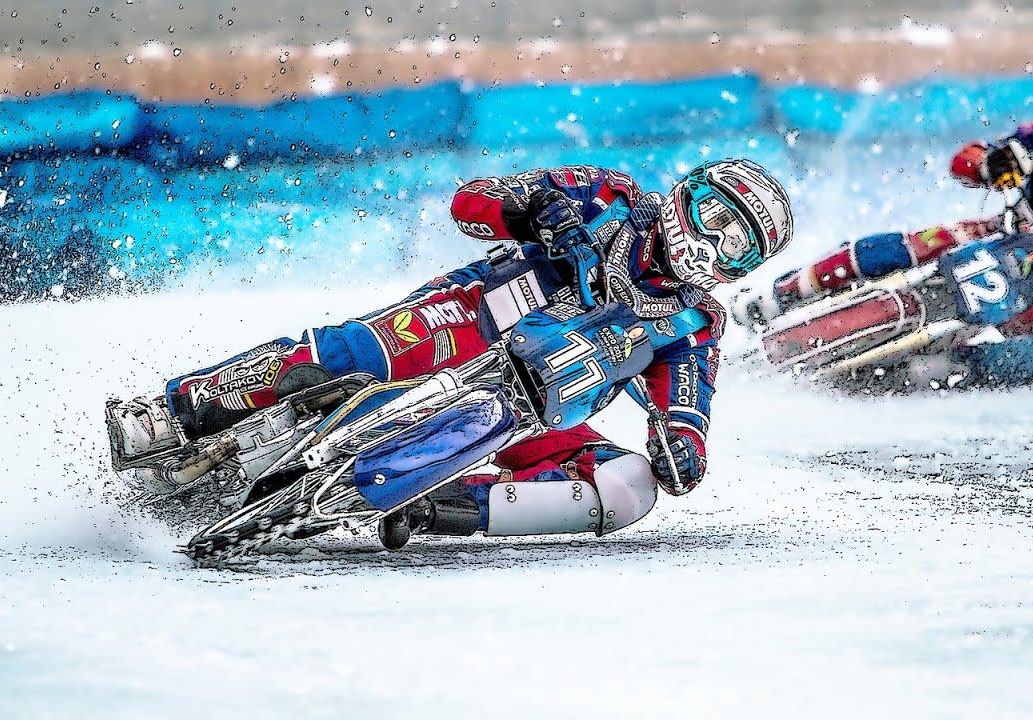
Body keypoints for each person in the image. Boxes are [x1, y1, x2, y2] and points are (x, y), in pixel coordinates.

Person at [108, 160, 793, 547]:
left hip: (534, 415)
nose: (713, 244)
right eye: (714, 218)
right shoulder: (607, 196)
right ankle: (179, 411)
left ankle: (435, 506)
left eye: (737, 245)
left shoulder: (695, 323)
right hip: (466, 320)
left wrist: (681, 452)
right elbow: (471, 201)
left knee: (629, 488)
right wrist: (530, 209)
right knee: (351, 353)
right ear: (685, 197)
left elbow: (689, 413)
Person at [734, 82, 1033, 386]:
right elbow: (964, 161)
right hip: (999, 232)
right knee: (912, 243)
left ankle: (925, 376)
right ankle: (782, 293)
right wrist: (991, 164)